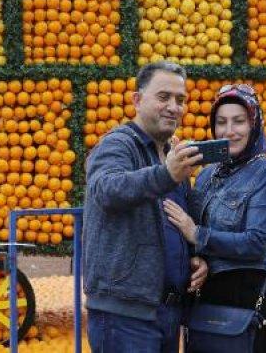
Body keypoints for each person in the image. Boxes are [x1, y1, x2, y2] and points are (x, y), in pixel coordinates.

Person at [83, 61, 209, 353]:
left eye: (180, 100)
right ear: (137, 100)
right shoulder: (117, 144)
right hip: (125, 316)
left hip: (164, 312)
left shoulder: (171, 154)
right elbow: (107, 189)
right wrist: (167, 174)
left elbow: (174, 220)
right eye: (163, 97)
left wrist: (192, 257)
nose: (173, 107)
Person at [163, 83, 266, 352]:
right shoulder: (207, 174)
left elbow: (258, 243)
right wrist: (198, 258)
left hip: (245, 294)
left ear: (254, 124)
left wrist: (197, 234)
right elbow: (185, 227)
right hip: (208, 296)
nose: (229, 131)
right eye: (221, 122)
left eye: (239, 121)